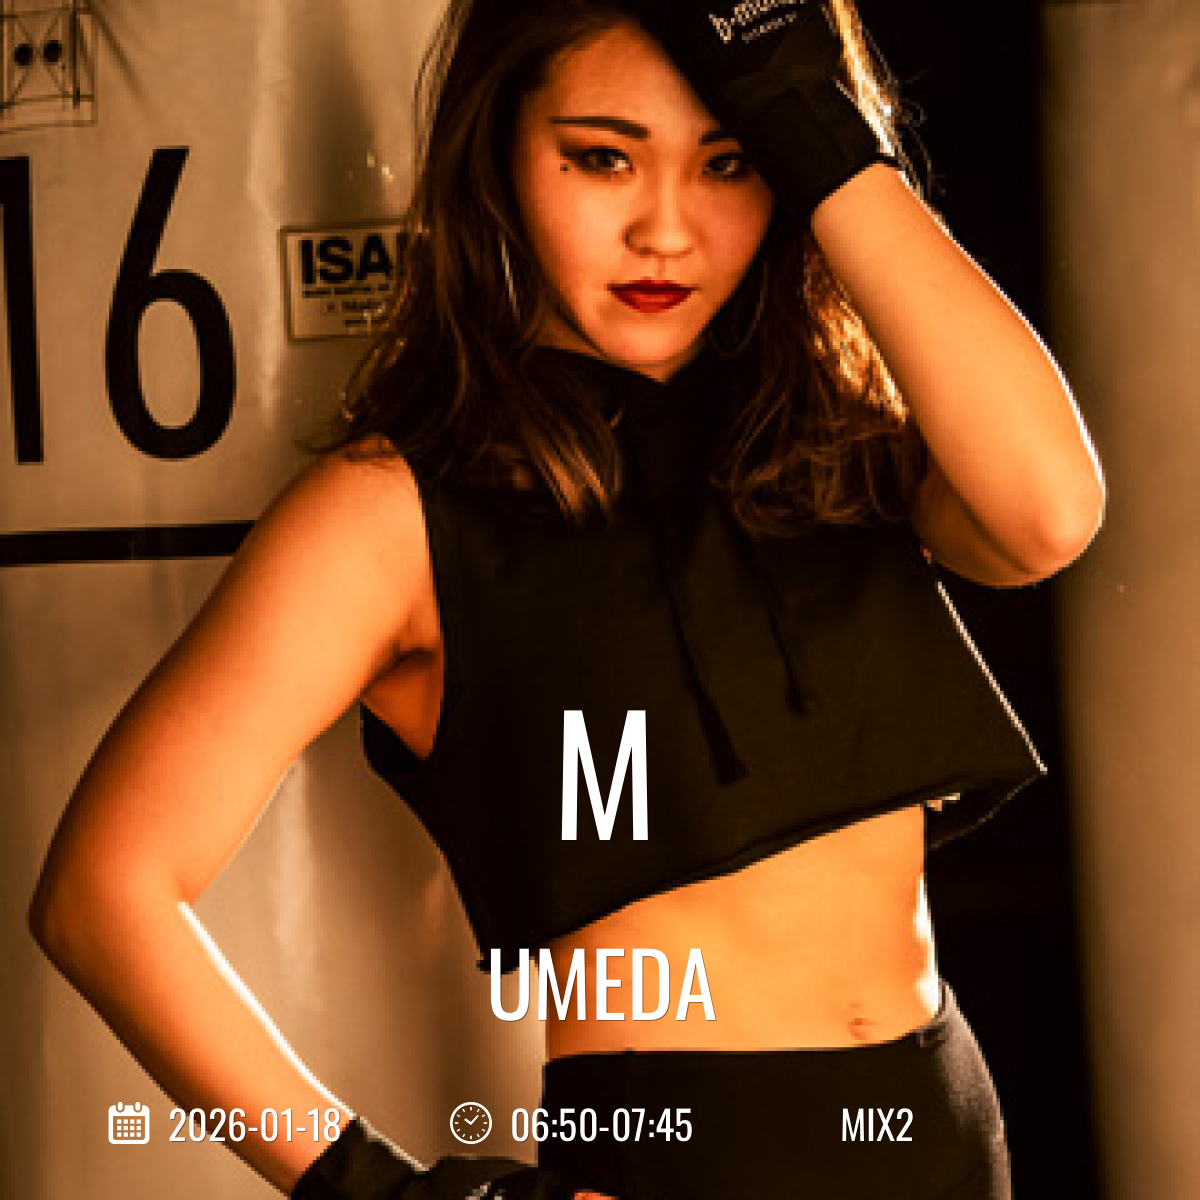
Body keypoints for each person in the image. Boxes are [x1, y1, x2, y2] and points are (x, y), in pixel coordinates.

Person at [28, 1, 1105, 1197]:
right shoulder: (392, 515)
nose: (666, 231)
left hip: (943, 1145)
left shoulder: (829, 446)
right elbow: (103, 892)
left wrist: (818, 123)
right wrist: (389, 1193)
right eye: (602, 158)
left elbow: (1050, 514)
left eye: (731, 162)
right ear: (497, 153)